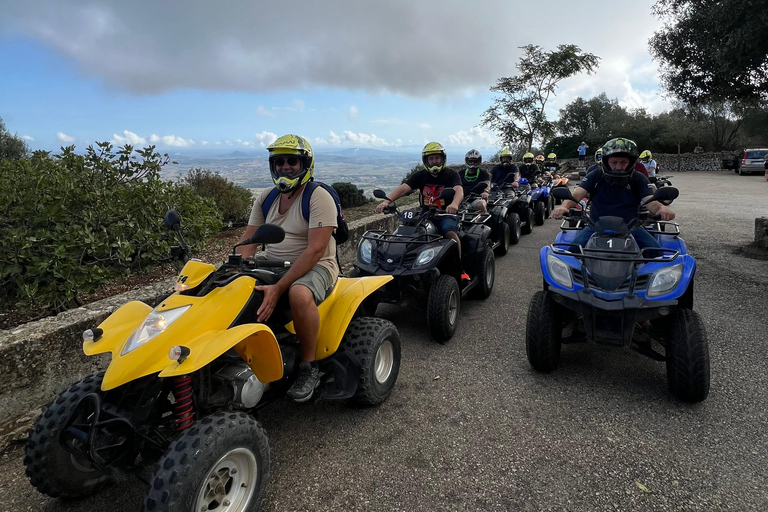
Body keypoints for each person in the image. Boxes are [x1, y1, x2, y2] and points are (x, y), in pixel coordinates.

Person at [236, 134, 338, 402]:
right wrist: (236, 269)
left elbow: (316, 250)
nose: (285, 167)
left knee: (299, 294)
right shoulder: (266, 198)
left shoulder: (318, 196)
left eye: (292, 161)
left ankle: (309, 366)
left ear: (305, 164)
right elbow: (249, 242)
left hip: (318, 265)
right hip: (272, 263)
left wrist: (279, 287)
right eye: (279, 161)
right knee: (231, 290)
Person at [551, 137, 675, 255]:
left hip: (631, 228)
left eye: (623, 162)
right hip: (595, 227)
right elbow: (577, 195)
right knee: (571, 254)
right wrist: (564, 207)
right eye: (614, 162)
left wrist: (661, 208)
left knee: (658, 255)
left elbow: (650, 201)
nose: (618, 167)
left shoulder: (639, 178)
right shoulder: (595, 175)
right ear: (606, 161)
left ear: (631, 162)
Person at [375, 142, 467, 264]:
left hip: (446, 214)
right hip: (425, 214)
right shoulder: (421, 176)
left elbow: (458, 190)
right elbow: (403, 188)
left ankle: (459, 266)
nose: (434, 161)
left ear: (442, 159)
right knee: (406, 232)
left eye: (437, 158)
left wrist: (454, 204)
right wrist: (386, 202)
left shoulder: (451, 174)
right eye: (431, 158)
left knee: (449, 232)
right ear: (426, 161)